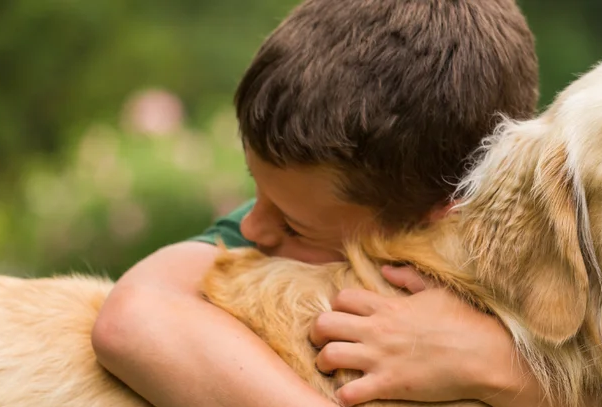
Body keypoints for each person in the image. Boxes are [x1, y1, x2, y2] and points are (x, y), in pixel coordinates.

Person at [90, 0, 548, 406]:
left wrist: (500, 368)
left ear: (444, 212)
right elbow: (131, 319)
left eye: (292, 225)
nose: (251, 227)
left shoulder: (557, 251)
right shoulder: (309, 201)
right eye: (255, 187)